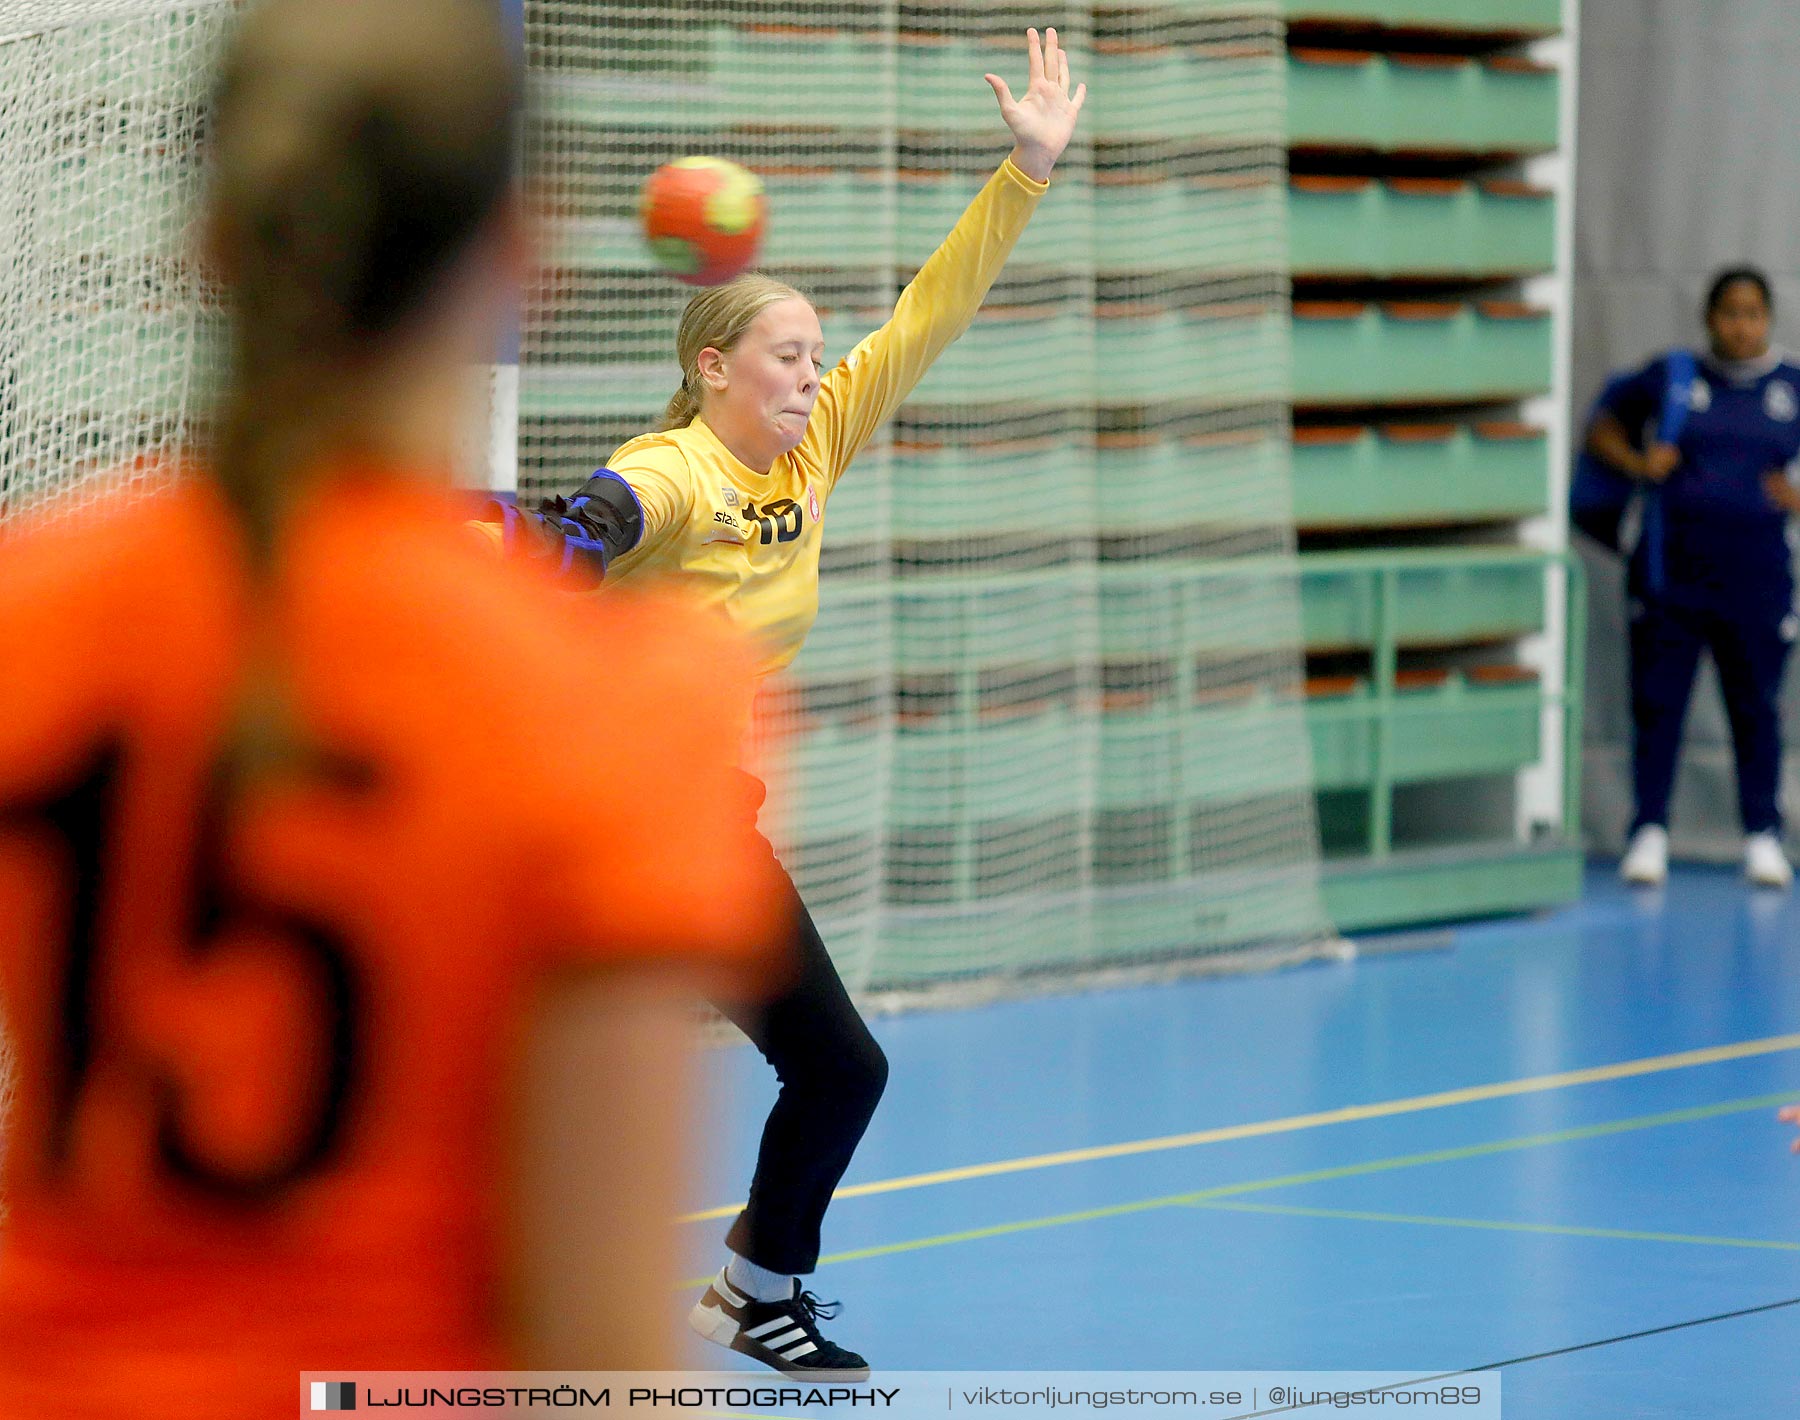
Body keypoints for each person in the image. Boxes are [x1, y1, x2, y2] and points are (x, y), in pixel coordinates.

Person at [0, 1, 779, 1414]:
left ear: (210, 247)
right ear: (518, 262)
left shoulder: (29, 616)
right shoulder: (613, 702)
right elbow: (599, 1358)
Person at [474, 24, 1085, 1378]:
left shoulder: (813, 453)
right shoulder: (677, 467)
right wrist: (527, 546)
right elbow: (595, 531)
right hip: (607, 822)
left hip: (702, 825)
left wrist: (1023, 176)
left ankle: (754, 1287)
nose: (814, 375)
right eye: (788, 356)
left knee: (840, 1068)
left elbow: (933, 308)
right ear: (714, 369)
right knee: (534, 1080)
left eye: (817, 356)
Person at [1585, 266, 1800, 890]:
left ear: (1768, 318)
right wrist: (1636, 461)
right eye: (1729, 313)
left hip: (1758, 578)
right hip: (1670, 576)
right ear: (1709, 318)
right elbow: (1603, 424)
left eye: (1752, 313)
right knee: (1658, 705)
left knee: (1756, 709)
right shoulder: (1675, 377)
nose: (1741, 325)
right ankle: (1648, 830)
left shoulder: (1791, 386)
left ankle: (1762, 835)